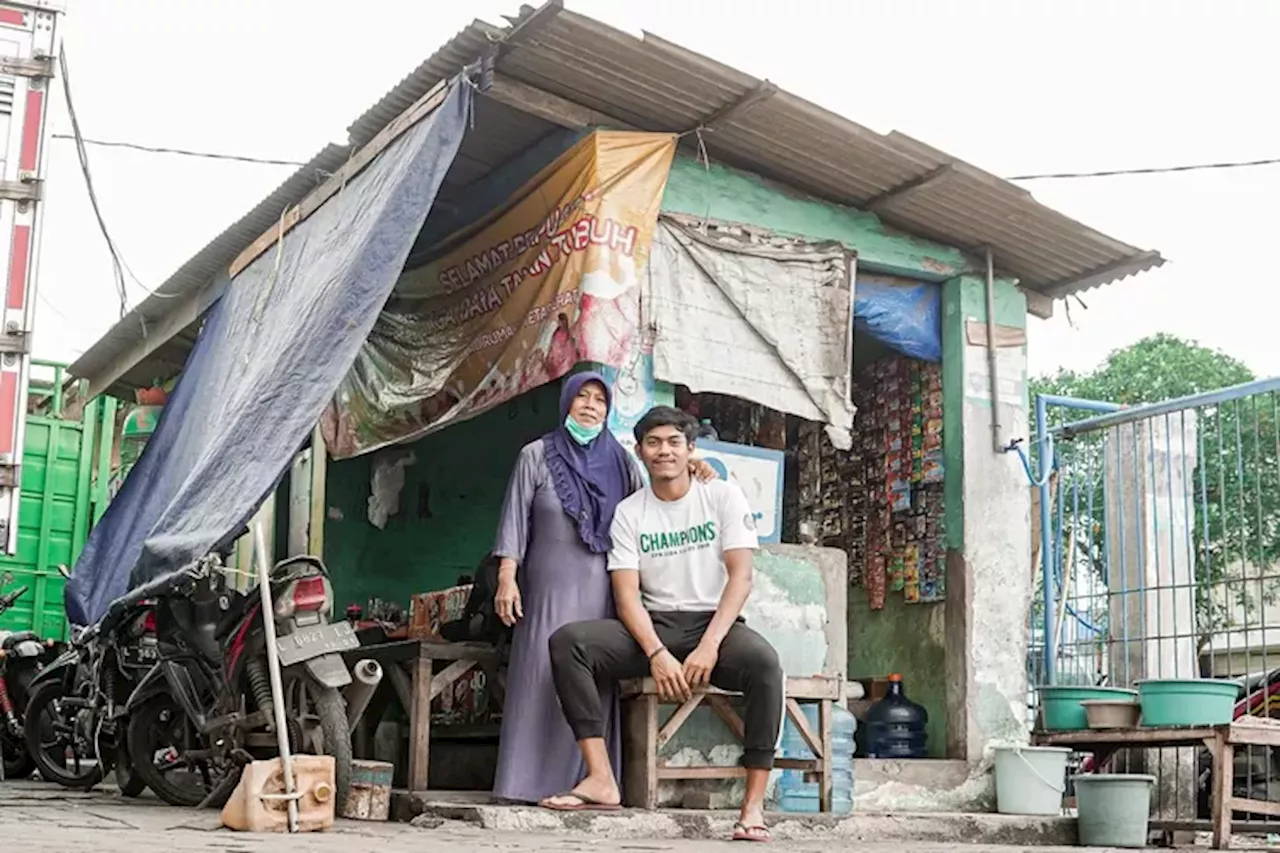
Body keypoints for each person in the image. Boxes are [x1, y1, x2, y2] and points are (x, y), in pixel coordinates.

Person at [544, 406, 783, 843]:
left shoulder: (722, 496)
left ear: (692, 450)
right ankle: (600, 777)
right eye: (653, 443)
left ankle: (752, 806)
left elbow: (741, 577)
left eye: (674, 442)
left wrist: (709, 645)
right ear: (640, 452)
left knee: (765, 665)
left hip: (714, 626)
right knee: (568, 643)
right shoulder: (630, 512)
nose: (664, 451)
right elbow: (626, 595)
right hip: (653, 628)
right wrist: (656, 653)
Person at [490, 374, 714, 804]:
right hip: (546, 586)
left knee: (589, 675)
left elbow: (655, 505)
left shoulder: (623, 463)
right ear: (566, 404)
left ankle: (590, 778)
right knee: (539, 673)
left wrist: (695, 467)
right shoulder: (536, 455)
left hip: (605, 591)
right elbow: (515, 519)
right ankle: (524, 782)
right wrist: (506, 576)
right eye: (582, 397)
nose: (590, 406)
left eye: (599, 400)